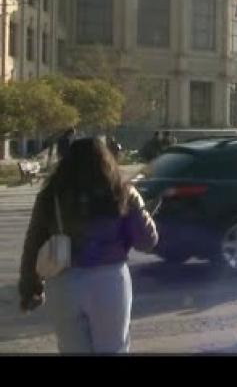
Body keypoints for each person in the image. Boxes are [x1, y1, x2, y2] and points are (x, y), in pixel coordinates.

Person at [18, 137, 159, 353]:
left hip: (64, 282)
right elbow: (147, 241)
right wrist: (141, 211)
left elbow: (33, 243)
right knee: (113, 348)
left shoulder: (51, 196)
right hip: (109, 281)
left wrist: (30, 287)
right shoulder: (121, 192)